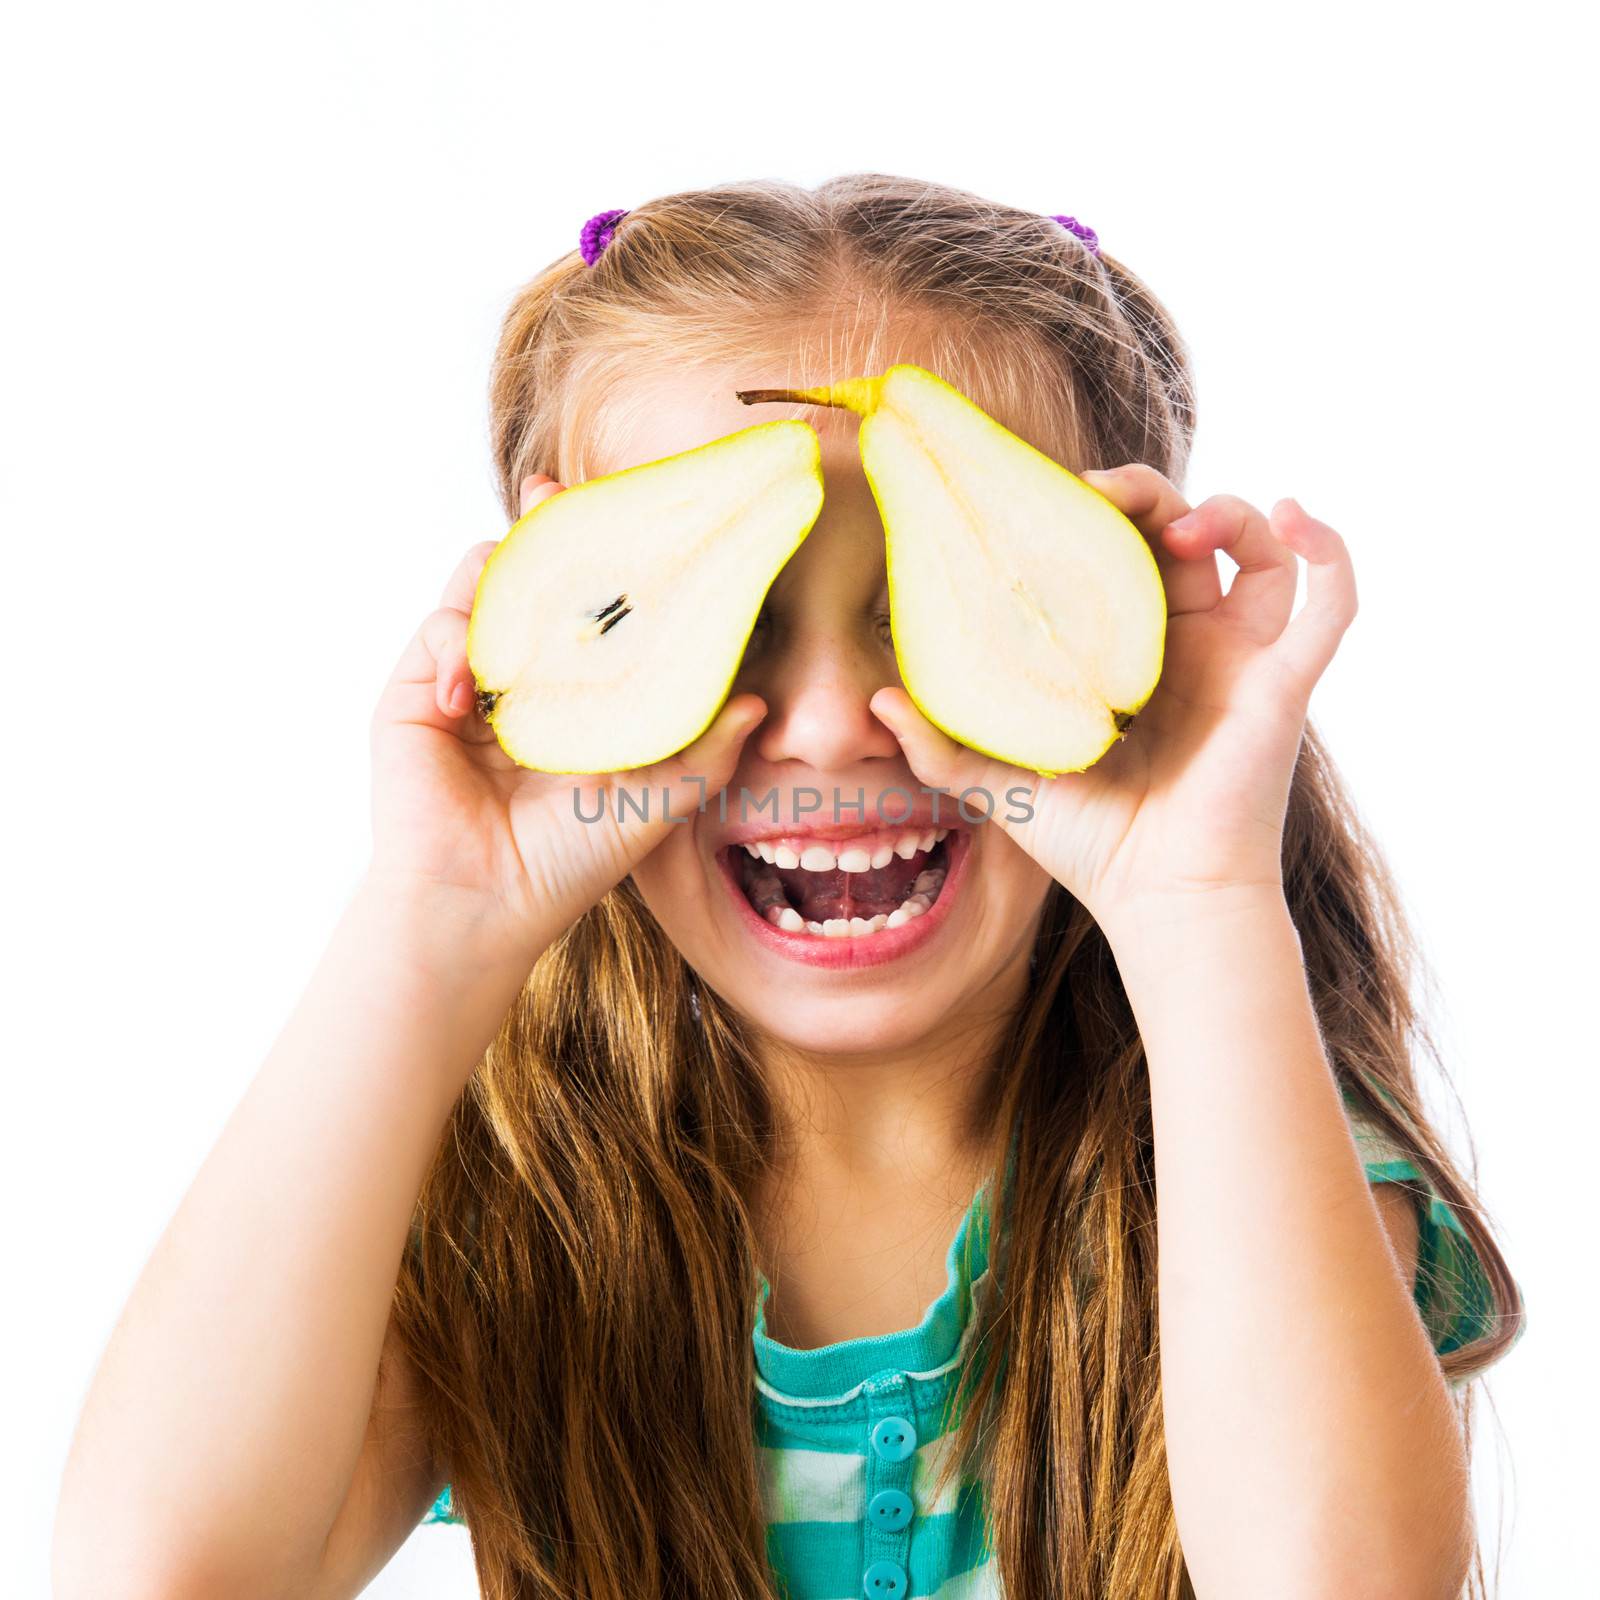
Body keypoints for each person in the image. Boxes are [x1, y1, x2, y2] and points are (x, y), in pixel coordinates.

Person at [53, 173, 1524, 1600]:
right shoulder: (491, 1191)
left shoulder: (1254, 1156)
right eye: (725, 623)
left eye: (935, 609)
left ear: (1120, 620)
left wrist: (1198, 895)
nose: (826, 724)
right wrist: (433, 919)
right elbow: (163, 1578)